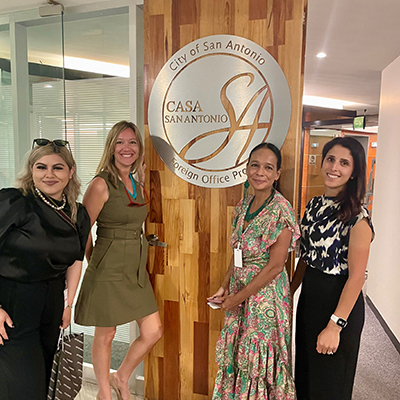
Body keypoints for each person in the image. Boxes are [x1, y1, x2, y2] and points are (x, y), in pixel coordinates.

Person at [74, 121, 163, 400]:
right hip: (108, 264)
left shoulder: (136, 183)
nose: (127, 148)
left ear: (139, 148)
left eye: (132, 142)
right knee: (107, 334)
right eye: (120, 142)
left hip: (135, 268)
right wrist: (95, 261)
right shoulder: (101, 184)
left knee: (154, 331)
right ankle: (104, 393)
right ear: (111, 147)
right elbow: (82, 229)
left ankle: (121, 376)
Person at [208, 142, 300, 399]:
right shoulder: (243, 205)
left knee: (258, 362)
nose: (260, 172)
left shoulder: (281, 210)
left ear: (277, 174)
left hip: (265, 298)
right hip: (240, 291)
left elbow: (275, 267)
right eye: (255, 165)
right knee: (239, 358)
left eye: (268, 167)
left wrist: (237, 298)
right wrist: (225, 286)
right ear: (247, 168)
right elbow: (237, 252)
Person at [0, 139, 91, 400]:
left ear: (70, 172)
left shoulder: (77, 213)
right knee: (22, 383)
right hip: (12, 300)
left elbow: (75, 260)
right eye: (41, 167)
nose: (49, 175)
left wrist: (68, 304)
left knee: (42, 380)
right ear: (31, 171)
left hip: (51, 302)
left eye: (58, 168)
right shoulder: (15, 202)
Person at [291, 136, 374, 400]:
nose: (334, 167)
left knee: (329, 384)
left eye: (344, 163)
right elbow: (305, 255)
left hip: (339, 301)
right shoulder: (315, 205)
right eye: (330, 159)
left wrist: (335, 326)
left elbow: (357, 277)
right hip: (310, 295)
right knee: (305, 373)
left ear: (353, 172)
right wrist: (289, 292)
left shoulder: (358, 217)